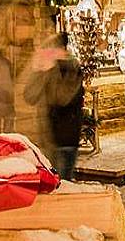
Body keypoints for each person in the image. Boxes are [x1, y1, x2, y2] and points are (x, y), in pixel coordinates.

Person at [23, 33, 84, 180]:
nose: (50, 51)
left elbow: (62, 98)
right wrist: (38, 71)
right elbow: (29, 96)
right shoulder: (48, 68)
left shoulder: (72, 68)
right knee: (50, 184)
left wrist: (48, 70)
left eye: (53, 48)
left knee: (62, 184)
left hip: (66, 138)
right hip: (48, 138)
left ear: (63, 49)